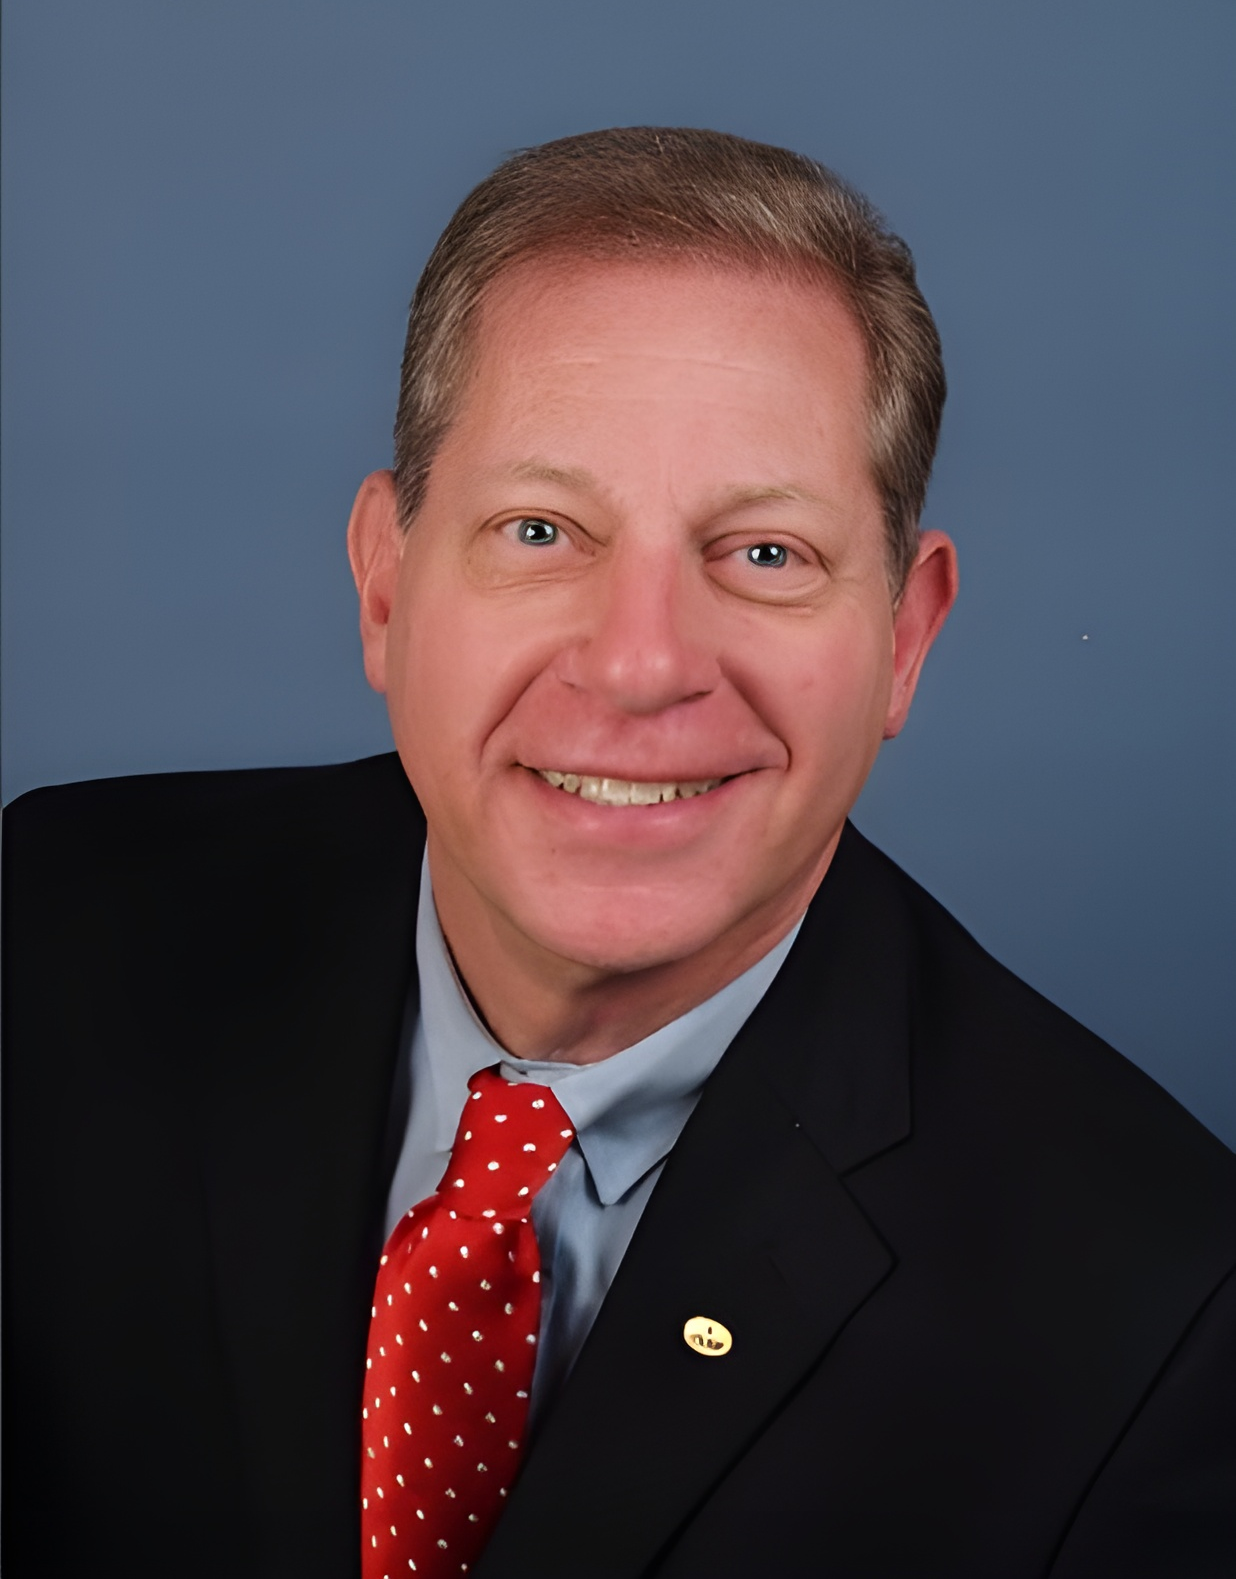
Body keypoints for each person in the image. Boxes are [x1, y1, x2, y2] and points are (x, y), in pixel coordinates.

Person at [3, 127, 1233, 1579]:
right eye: (542, 529)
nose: (643, 665)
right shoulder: (57, 934)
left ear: (904, 639)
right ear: (388, 588)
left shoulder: (1159, 1317)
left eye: (765, 554)